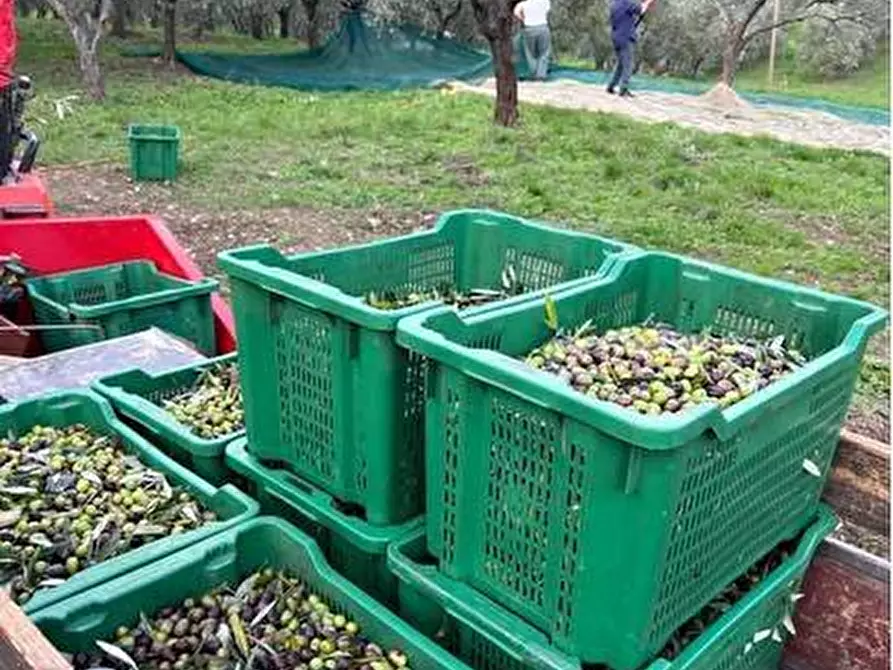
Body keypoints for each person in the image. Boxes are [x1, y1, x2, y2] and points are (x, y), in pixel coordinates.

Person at [607, 0, 654, 97]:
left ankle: (611, 86)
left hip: (616, 36)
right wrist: (648, 2)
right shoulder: (625, 3)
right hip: (626, 37)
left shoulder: (614, 4)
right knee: (628, 65)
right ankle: (623, 89)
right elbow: (641, 10)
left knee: (621, 64)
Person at [514, 0, 551, 81]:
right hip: (543, 27)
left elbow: (516, 12)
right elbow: (547, 11)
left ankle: (534, 73)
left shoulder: (523, 3)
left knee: (531, 54)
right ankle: (541, 75)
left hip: (529, 28)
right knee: (544, 53)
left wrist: (523, 19)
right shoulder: (545, 1)